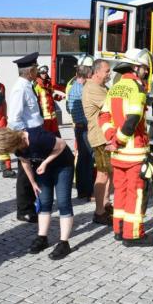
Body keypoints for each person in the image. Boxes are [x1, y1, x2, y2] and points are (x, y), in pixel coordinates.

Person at [99, 48, 153, 247]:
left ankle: (118, 229)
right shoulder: (137, 88)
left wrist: (111, 137)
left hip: (118, 154)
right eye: (144, 68)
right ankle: (133, 235)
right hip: (134, 153)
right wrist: (120, 139)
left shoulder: (115, 87)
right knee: (136, 194)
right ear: (136, 67)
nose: (146, 72)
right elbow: (132, 120)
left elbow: (104, 116)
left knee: (121, 192)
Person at [0, 127, 75, 260]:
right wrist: (33, 183)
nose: (12, 153)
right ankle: (42, 238)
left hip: (62, 165)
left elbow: (62, 144)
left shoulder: (37, 138)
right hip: (43, 168)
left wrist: (46, 162)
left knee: (63, 202)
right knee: (44, 201)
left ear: (13, 142)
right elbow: (25, 162)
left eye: (10, 150)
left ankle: (64, 243)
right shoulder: (17, 147)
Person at [7, 52, 46, 223]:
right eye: (36, 68)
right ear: (30, 71)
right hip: (26, 136)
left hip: (33, 134)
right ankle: (24, 210)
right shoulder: (20, 88)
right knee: (25, 173)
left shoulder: (27, 86)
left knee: (32, 170)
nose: (38, 70)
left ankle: (30, 205)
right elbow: (14, 118)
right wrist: (25, 137)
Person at [83, 58, 114, 225]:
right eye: (107, 71)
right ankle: (99, 212)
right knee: (102, 174)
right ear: (96, 72)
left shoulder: (100, 86)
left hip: (105, 136)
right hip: (100, 137)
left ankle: (106, 204)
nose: (109, 74)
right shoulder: (93, 88)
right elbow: (112, 104)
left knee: (110, 172)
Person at [66, 55, 95, 201]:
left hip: (81, 128)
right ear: (87, 72)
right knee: (87, 160)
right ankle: (87, 191)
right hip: (84, 128)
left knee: (84, 159)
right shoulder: (81, 90)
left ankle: (83, 191)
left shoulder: (77, 86)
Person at [34, 65, 64, 136]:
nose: (45, 75)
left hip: (53, 116)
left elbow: (52, 94)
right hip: (44, 118)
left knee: (57, 137)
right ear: (39, 74)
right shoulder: (36, 85)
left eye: (46, 73)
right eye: (43, 73)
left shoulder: (48, 83)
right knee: (46, 138)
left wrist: (60, 97)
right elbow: (34, 101)